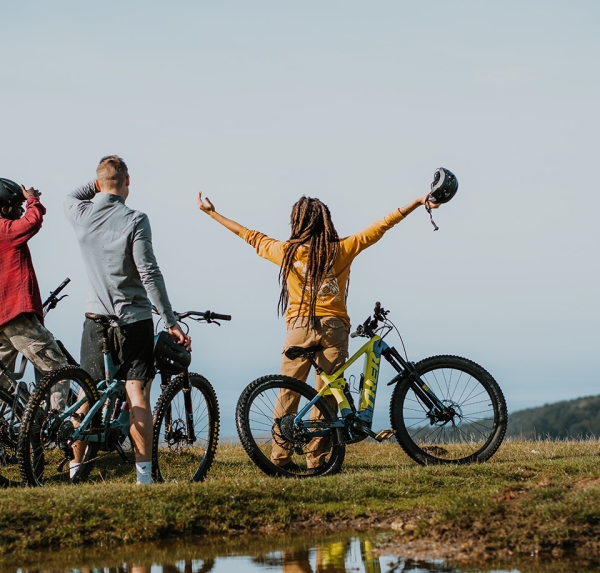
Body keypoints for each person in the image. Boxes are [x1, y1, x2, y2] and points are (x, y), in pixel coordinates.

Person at [197, 188, 440, 471]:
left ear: (296, 223)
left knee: (288, 392)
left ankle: (280, 459)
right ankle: (317, 461)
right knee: (326, 394)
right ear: (326, 221)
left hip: (299, 327)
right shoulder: (341, 249)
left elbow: (249, 235)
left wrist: (211, 212)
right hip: (334, 329)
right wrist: (414, 202)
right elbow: (380, 227)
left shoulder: (285, 252)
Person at [65, 156, 190, 484]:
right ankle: (143, 476)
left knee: (85, 394)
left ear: (98, 183)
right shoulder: (136, 219)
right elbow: (149, 272)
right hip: (133, 320)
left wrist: (95, 186)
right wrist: (171, 319)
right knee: (137, 395)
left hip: (95, 320)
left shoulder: (81, 215)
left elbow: (69, 196)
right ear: (128, 181)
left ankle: (76, 470)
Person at [0, 178, 69, 390]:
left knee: (2, 381)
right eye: (17, 207)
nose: (21, 211)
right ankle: (57, 421)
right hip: (16, 314)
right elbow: (32, 221)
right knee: (58, 369)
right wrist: (32, 200)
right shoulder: (4, 229)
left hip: (2, 319)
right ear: (4, 208)